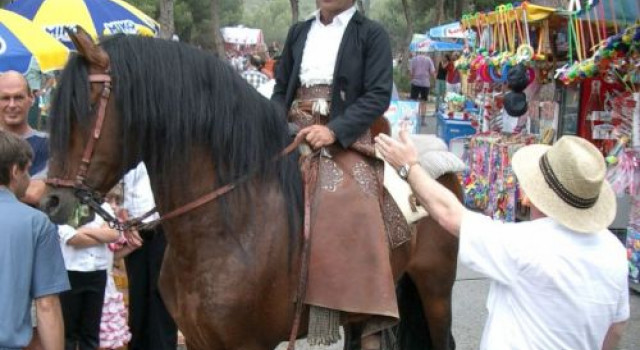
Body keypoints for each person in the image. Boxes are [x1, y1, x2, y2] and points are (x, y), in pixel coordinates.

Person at [375, 131, 630, 350]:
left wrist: (409, 167)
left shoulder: (525, 245)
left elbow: (449, 214)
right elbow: (615, 329)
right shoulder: (615, 252)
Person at [273, 0, 396, 348]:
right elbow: (281, 88)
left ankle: (371, 315)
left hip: (345, 135)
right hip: (291, 131)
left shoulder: (371, 34)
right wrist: (276, 124)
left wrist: (334, 131)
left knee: (359, 199)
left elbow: (377, 95)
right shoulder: (298, 32)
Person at [0, 130, 69, 350]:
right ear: (14, 171)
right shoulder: (36, 223)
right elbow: (47, 304)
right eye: (28, 171)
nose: (30, 179)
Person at [122, 162, 177, 350]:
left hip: (164, 228)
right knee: (138, 300)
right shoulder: (128, 153)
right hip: (134, 229)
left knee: (161, 298)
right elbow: (117, 190)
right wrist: (126, 222)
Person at [57, 202, 121, 350]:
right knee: (68, 332)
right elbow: (73, 240)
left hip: (97, 271)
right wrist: (101, 234)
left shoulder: (103, 206)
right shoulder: (64, 205)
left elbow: (115, 233)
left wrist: (85, 230)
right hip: (71, 272)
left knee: (91, 332)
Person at [0, 71, 49, 206]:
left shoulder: (48, 144)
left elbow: (36, 193)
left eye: (18, 97)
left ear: (31, 98)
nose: (12, 105)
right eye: (5, 98)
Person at [409, 52, 435, 122]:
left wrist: (411, 79)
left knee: (413, 102)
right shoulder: (429, 60)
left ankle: (413, 119)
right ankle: (423, 120)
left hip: (415, 82)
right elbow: (432, 72)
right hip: (425, 83)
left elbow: (411, 72)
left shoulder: (413, 59)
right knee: (423, 102)